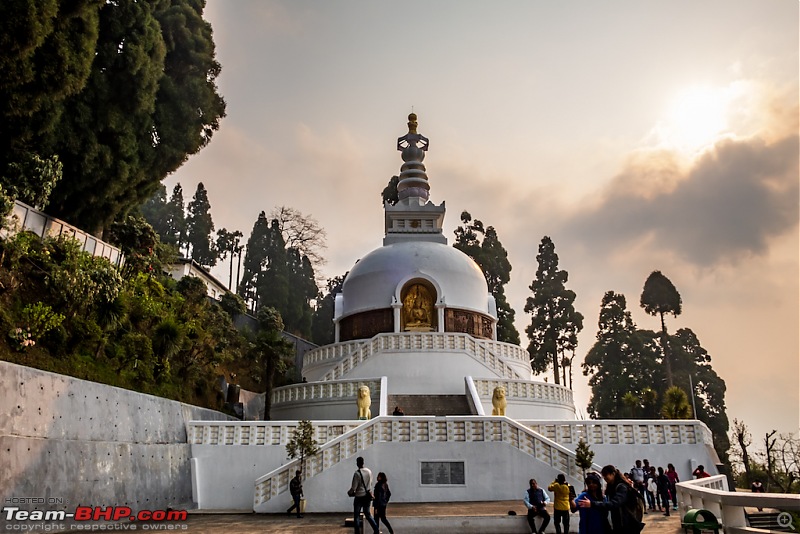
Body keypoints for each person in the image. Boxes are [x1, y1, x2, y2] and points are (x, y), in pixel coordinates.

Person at [578, 464, 645, 534]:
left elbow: (614, 503)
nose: (604, 478)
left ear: (613, 474)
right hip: (617, 525)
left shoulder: (621, 487)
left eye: (606, 475)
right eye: (603, 476)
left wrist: (592, 504)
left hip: (625, 524)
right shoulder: (612, 487)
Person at [349, 457, 379, 534]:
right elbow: (370, 483)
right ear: (363, 462)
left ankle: (357, 532)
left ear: (357, 463)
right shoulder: (369, 471)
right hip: (368, 496)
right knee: (368, 514)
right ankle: (376, 530)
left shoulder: (357, 473)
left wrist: (350, 492)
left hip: (359, 496)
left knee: (357, 516)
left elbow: (354, 487)